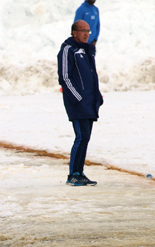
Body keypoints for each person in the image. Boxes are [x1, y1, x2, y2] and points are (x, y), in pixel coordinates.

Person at [57, 20, 104, 187]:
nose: (86, 34)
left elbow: (92, 77)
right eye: (82, 30)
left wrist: (97, 96)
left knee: (86, 138)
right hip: (77, 103)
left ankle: (79, 172)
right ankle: (73, 174)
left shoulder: (87, 51)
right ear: (74, 32)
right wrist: (77, 98)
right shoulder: (68, 50)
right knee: (81, 136)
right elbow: (65, 77)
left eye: (88, 31)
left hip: (90, 102)